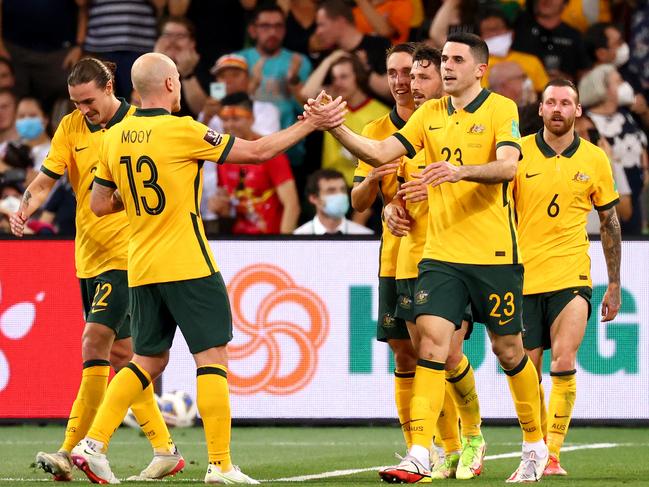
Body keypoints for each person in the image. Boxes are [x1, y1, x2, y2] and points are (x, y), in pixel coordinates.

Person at [71, 52, 344, 484]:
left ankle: (93, 445)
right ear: (167, 85)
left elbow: (99, 204)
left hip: (140, 264)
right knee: (212, 357)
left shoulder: (114, 137)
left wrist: (139, 198)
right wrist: (313, 123)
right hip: (186, 260)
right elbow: (256, 152)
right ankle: (220, 465)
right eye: (176, 78)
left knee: (147, 359)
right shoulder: (183, 130)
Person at [304, 31, 546, 483]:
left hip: (493, 253)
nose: (447, 66)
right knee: (429, 348)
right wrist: (333, 125)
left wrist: (459, 172)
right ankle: (420, 453)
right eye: (445, 59)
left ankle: (534, 444)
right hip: (439, 255)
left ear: (479, 69)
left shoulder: (501, 109)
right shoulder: (429, 115)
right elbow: (378, 152)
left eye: (456, 60)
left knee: (509, 351)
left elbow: (510, 165)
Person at [8, 57, 183, 483]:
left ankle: (72, 450)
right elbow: (47, 179)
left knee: (94, 344)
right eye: (75, 102)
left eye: (88, 101)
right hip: (87, 257)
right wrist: (24, 208)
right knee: (123, 355)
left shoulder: (139, 125)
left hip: (127, 256)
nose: (83, 109)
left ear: (110, 86)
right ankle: (165, 449)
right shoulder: (70, 127)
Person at [383, 43, 486, 480]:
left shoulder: (458, 125)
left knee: (446, 354)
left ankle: (473, 435)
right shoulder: (401, 135)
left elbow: (493, 181)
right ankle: (444, 448)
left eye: (421, 75)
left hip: (453, 254)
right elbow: (381, 194)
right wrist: (388, 207)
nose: (412, 84)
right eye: (409, 76)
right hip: (407, 257)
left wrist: (445, 188)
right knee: (423, 355)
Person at [513, 79, 621, 476]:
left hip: (571, 272)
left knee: (564, 359)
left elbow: (609, 222)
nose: (558, 109)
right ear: (540, 110)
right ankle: (536, 447)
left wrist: (613, 282)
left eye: (566, 103)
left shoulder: (594, 159)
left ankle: (552, 454)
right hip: (522, 276)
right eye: (550, 102)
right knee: (527, 371)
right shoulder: (517, 154)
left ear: (577, 111)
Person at [350, 40, 416, 455]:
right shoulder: (374, 131)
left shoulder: (441, 122)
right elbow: (356, 202)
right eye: (392, 73)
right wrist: (376, 182)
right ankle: (419, 447)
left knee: (442, 348)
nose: (400, 81)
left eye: (407, 72)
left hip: (443, 250)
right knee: (403, 353)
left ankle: (464, 438)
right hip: (394, 253)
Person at [238, 3, 313, 173]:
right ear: (252, 30)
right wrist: (253, 84)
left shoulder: (299, 62)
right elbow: (227, 107)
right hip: (245, 150)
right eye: (265, 26)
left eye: (278, 26)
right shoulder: (238, 61)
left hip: (290, 152)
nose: (272, 32)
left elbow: (309, 111)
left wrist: (293, 82)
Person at [213, 92, 300, 234]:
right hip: (239, 241)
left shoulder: (271, 152)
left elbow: (292, 205)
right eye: (225, 119)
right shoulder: (222, 157)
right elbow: (229, 207)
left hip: (270, 239)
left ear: (251, 119)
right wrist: (220, 208)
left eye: (236, 119)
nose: (229, 125)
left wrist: (284, 245)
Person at [579, 64, 649, 235]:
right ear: (603, 88)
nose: (624, 85)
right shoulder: (586, 124)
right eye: (618, 81)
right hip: (611, 195)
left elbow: (641, 143)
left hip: (636, 192)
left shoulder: (626, 115)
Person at [321, 54, 389, 186]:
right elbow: (306, 94)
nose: (337, 83)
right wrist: (328, 59)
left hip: (365, 188)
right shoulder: (329, 109)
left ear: (358, 77)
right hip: (329, 187)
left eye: (343, 77)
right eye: (334, 78)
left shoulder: (382, 114)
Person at [307, 0, 392, 100]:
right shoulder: (330, 55)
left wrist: (364, 68)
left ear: (340, 22)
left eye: (321, 24)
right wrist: (329, 60)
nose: (318, 32)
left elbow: (390, 91)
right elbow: (307, 95)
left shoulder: (379, 45)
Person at [512, 0, 590, 80]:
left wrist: (566, 80)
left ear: (565, 4)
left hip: (561, 89)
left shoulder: (574, 35)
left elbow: (584, 73)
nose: (548, 1)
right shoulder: (518, 28)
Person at [478, 7, 549, 94]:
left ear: (511, 33)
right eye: (489, 30)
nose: (494, 34)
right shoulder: (475, 66)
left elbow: (544, 94)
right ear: (480, 37)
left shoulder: (532, 62)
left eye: (498, 29)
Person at [294, 169, 373, 234]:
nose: (340, 195)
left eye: (343, 189)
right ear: (314, 198)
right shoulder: (298, 237)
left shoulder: (365, 235)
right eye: (331, 191)